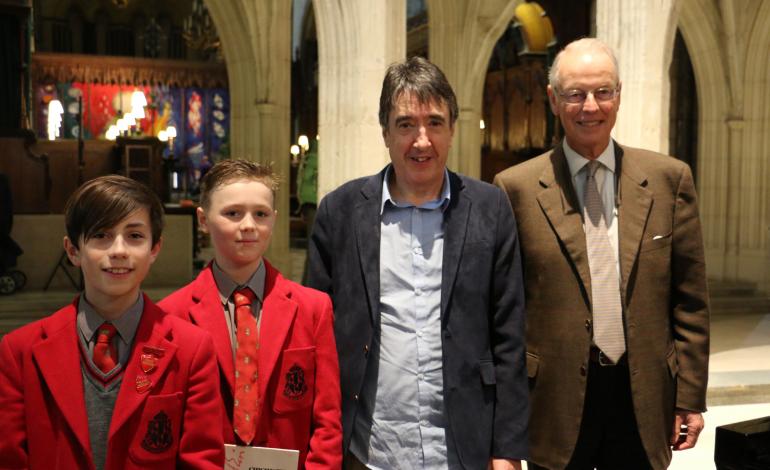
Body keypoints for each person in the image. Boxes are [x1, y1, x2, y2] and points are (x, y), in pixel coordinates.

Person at [493, 38, 710, 470]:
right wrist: (504, 430)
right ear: (554, 100)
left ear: (618, 96)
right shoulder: (513, 189)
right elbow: (503, 315)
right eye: (575, 94)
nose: (590, 106)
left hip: (642, 396)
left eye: (602, 92)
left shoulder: (669, 180)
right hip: (553, 403)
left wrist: (689, 396)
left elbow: (690, 300)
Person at [307, 56, 529, 470]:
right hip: (366, 451)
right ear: (386, 132)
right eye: (406, 124)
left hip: (464, 447)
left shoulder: (490, 208)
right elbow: (315, 340)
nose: (421, 141)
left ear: (452, 130)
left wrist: (508, 450)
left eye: (435, 123)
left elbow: (510, 335)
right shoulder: (340, 212)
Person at [0, 175, 224, 469]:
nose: (118, 250)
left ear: (154, 249)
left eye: (134, 236)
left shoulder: (191, 348)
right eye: (101, 235)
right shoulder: (19, 351)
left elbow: (201, 460)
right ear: (73, 251)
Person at [159, 159, 342, 469]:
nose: (248, 226)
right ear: (203, 220)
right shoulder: (171, 315)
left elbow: (327, 418)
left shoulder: (313, 308)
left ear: (274, 218)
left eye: (261, 214)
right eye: (232, 213)